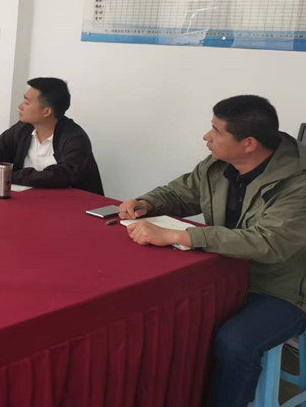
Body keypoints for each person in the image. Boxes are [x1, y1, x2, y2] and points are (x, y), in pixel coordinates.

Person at [118, 95, 306, 407]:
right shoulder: (219, 164)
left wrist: (182, 236)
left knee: (235, 342)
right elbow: (181, 193)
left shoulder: (298, 184)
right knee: (162, 315)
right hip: (222, 273)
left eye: (217, 131)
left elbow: (268, 242)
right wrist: (147, 202)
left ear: (248, 144)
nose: (207, 137)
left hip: (283, 289)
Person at [0, 77, 103, 194]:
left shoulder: (74, 138)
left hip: (70, 206)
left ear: (46, 111)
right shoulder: (24, 128)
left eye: (27, 102)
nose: (20, 106)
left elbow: (62, 175)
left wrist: (6, 176)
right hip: (30, 199)